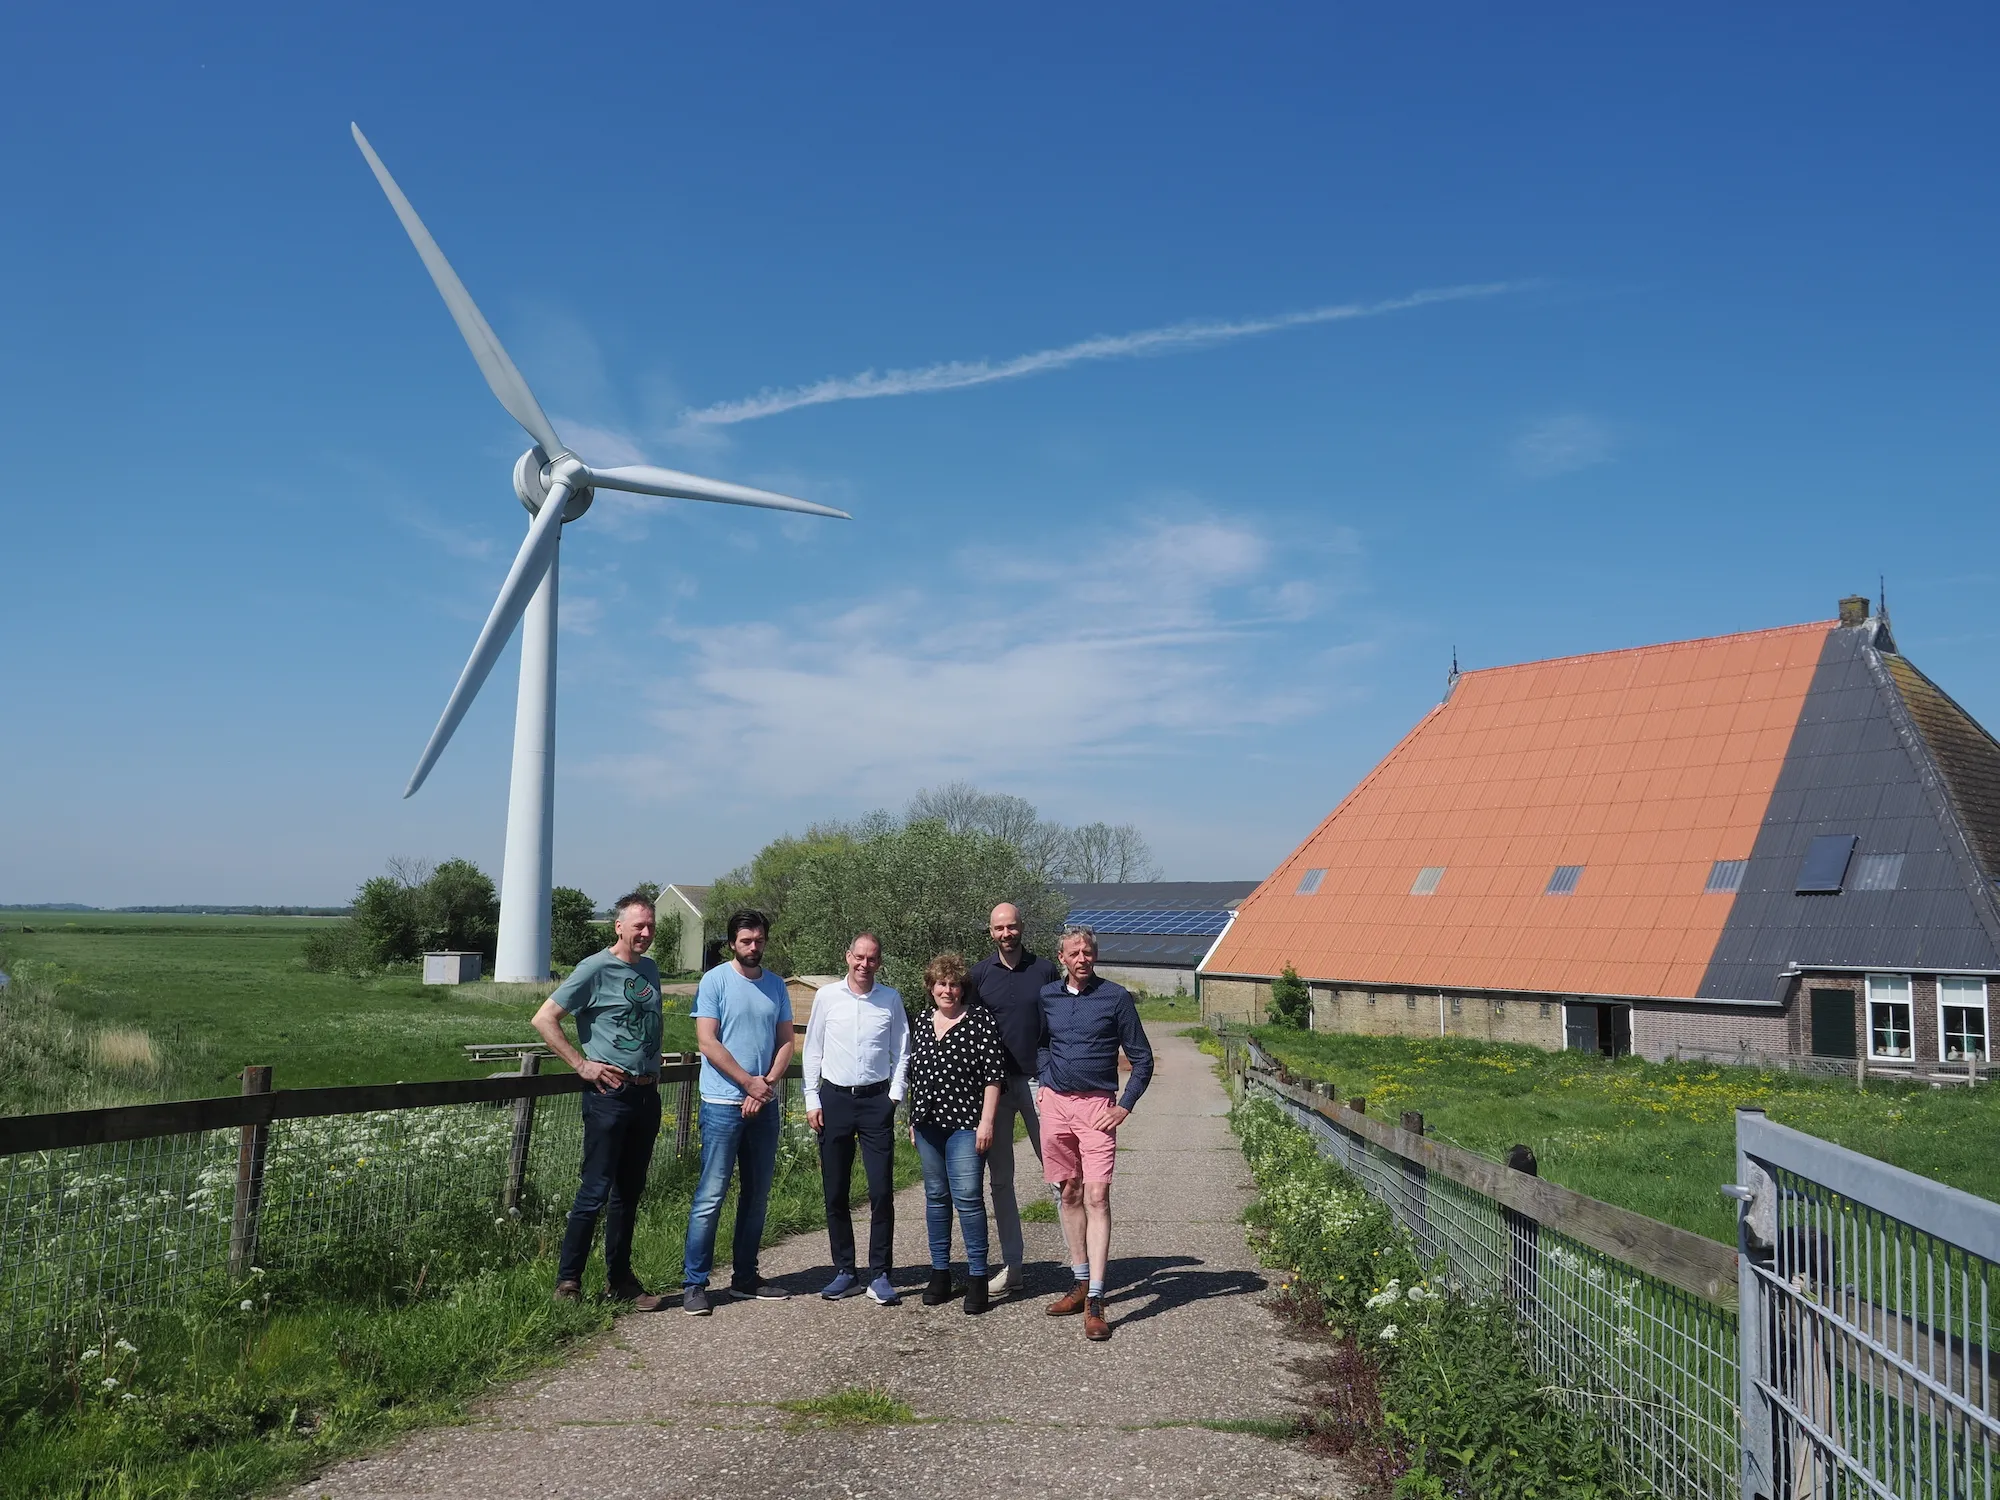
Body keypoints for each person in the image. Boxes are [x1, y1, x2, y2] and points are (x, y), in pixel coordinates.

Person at [532, 893, 665, 1304]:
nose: (645, 933)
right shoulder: (594, 967)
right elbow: (544, 1018)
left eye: (650, 926)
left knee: (629, 1191)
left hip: (645, 1096)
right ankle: (568, 1282)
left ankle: (621, 1280)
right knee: (595, 1190)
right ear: (618, 926)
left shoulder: (650, 970)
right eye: (638, 926)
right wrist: (580, 1063)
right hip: (610, 1094)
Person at [1039, 924, 1154, 1341]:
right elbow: (1040, 1042)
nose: (1082, 958)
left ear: (1095, 955)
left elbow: (1142, 1059)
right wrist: (1044, 1083)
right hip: (1055, 1106)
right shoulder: (1047, 996)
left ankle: (1097, 1300)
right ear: (1062, 959)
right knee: (1068, 1191)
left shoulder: (1116, 998)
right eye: (1074, 953)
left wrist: (1124, 1106)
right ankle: (1080, 1280)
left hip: (1097, 1108)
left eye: (1087, 951)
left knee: (1097, 1195)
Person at [679, 910, 796, 1315]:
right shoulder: (715, 981)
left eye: (759, 940)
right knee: (711, 1195)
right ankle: (695, 1283)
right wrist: (747, 1082)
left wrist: (764, 1087)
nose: (753, 947)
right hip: (722, 1104)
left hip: (764, 1105)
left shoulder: (776, 985)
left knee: (757, 1194)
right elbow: (707, 1041)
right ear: (732, 943)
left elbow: (785, 1043)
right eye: (746, 941)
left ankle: (745, 1277)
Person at [802, 932, 910, 1305]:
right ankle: (845, 1271)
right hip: (833, 1100)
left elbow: (903, 1049)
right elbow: (812, 1047)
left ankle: (879, 1273)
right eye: (859, 957)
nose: (865, 965)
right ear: (848, 956)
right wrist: (811, 1098)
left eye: (872, 959)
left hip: (876, 1101)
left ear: (880, 962)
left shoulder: (890, 999)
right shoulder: (826, 997)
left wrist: (894, 1096)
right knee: (836, 1190)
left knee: (881, 1191)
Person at [963, 902, 1059, 1298]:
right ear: (991, 933)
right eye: (999, 928)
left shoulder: (1044, 970)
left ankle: (1080, 1267)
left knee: (1058, 1172)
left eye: (1012, 926)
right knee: (1000, 1181)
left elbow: (1059, 1023)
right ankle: (1013, 1265)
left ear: (1022, 928)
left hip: (1040, 1082)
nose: (1007, 933)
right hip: (995, 1089)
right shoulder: (978, 977)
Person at [906, 952, 1009, 1314]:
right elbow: (913, 1073)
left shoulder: (979, 1019)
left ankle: (978, 1277)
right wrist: (912, 1118)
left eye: (953, 984)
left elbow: (993, 1075)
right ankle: (940, 1272)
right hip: (928, 1123)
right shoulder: (920, 1021)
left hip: (967, 1124)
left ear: (962, 988)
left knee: (967, 1197)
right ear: (930, 987)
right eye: (941, 984)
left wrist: (987, 1122)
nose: (947, 990)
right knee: (936, 1197)